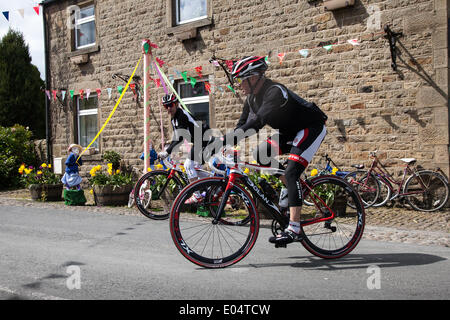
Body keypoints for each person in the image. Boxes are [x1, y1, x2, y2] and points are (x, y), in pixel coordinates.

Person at [216, 56, 328, 246]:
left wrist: (223, 140)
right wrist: (226, 144)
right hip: (289, 132)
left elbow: (257, 123)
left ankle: (294, 227)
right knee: (260, 154)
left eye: (241, 80)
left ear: (253, 78)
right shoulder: (251, 99)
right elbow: (242, 125)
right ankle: (289, 188)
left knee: (292, 171)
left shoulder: (274, 92)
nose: (238, 85)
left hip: (310, 127)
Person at [157, 93, 211, 204]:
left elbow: (180, 137)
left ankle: (197, 195)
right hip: (198, 141)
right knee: (195, 169)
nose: (168, 108)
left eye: (170, 105)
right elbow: (176, 137)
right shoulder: (174, 119)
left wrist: (166, 152)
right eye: (165, 106)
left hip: (203, 139)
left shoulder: (181, 115)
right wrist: (170, 149)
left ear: (176, 104)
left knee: (188, 165)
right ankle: (214, 184)